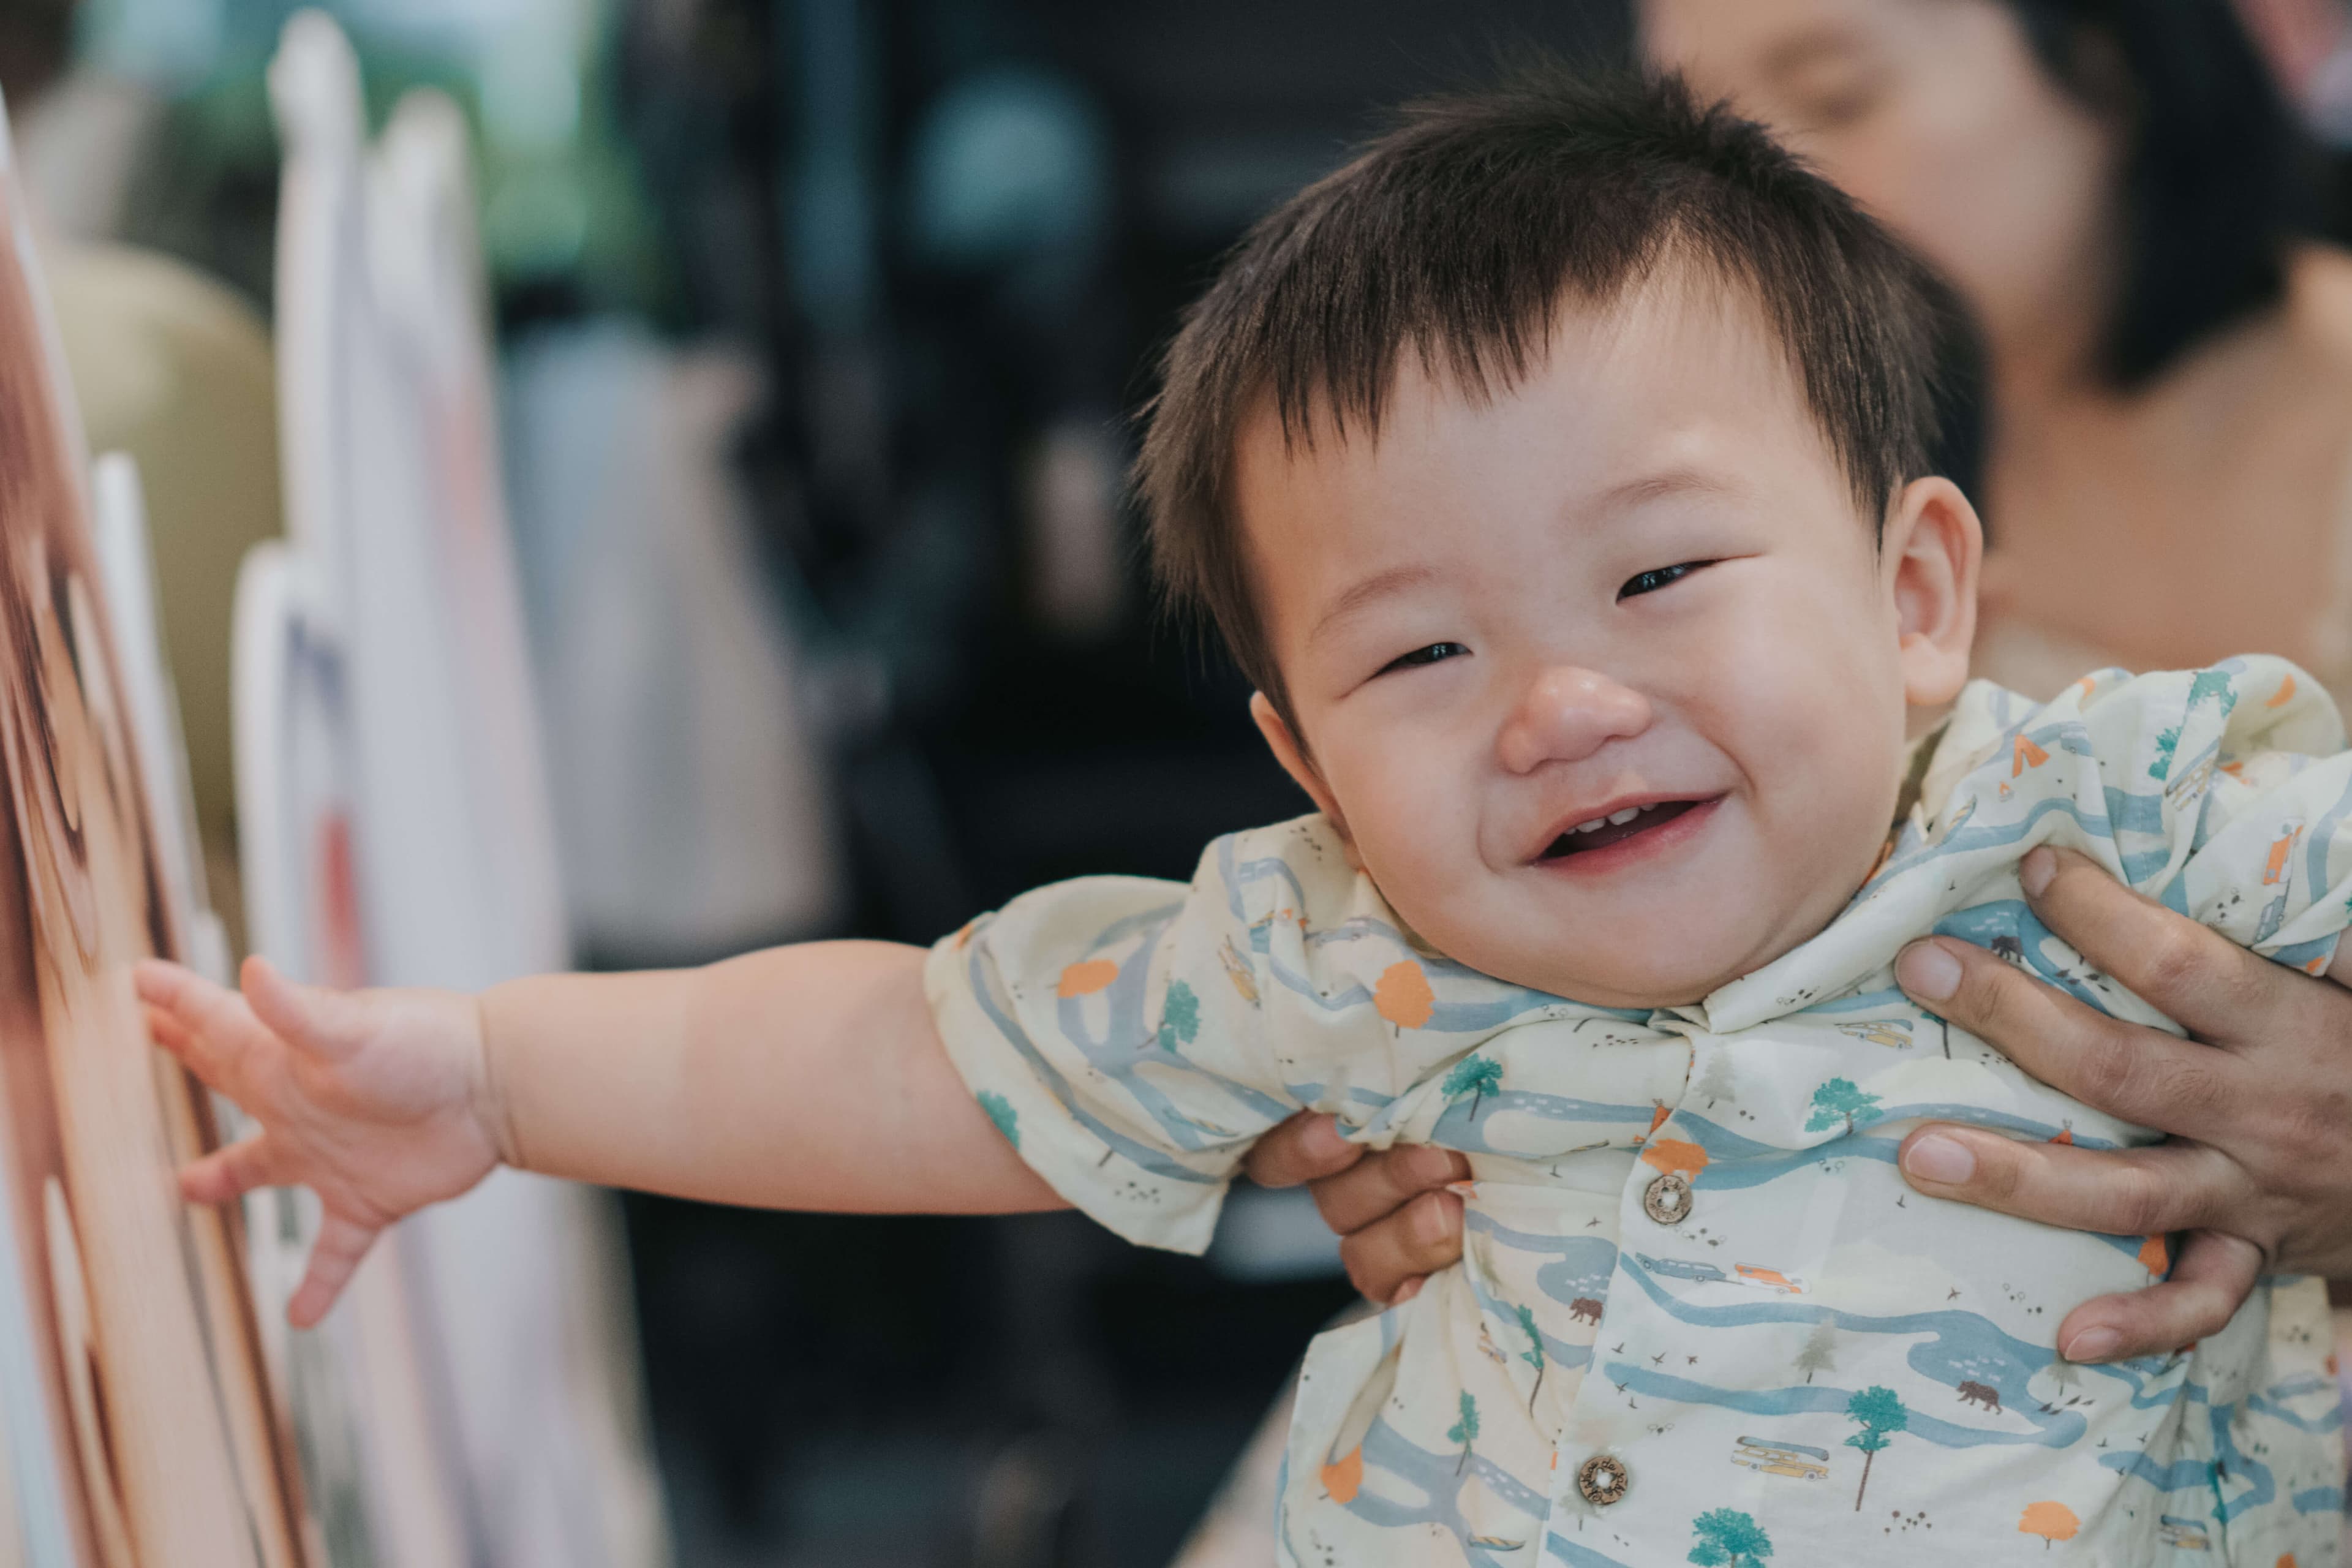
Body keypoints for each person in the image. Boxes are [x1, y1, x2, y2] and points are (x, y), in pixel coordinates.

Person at [137, 72, 2352, 1562]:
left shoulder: (2118, 835)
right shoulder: (1334, 946)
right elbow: (916, 1056)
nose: (1565, 704)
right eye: (1420, 658)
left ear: (1918, 597)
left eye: (1661, 578)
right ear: (1303, 765)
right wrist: (501, 1078)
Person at [1256, 0, 2352, 1373]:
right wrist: (1454, 1157)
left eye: (1828, 95)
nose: (1738, 192)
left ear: (2113, 57)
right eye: (1693, 127)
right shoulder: (1637, 519)